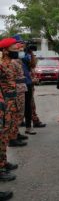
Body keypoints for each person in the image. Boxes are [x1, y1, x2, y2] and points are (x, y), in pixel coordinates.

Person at [0, 38, 20, 182]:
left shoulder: (11, 64)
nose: (17, 51)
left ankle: (3, 162)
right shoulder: (1, 65)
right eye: (15, 48)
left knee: (5, 135)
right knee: (1, 136)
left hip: (10, 102)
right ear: (5, 51)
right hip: (4, 102)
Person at [21, 43, 36, 135]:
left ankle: (28, 127)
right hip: (18, 84)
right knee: (17, 109)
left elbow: (32, 64)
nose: (21, 46)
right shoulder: (16, 54)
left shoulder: (26, 54)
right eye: (19, 44)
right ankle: (14, 134)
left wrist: (30, 53)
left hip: (27, 82)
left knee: (28, 106)